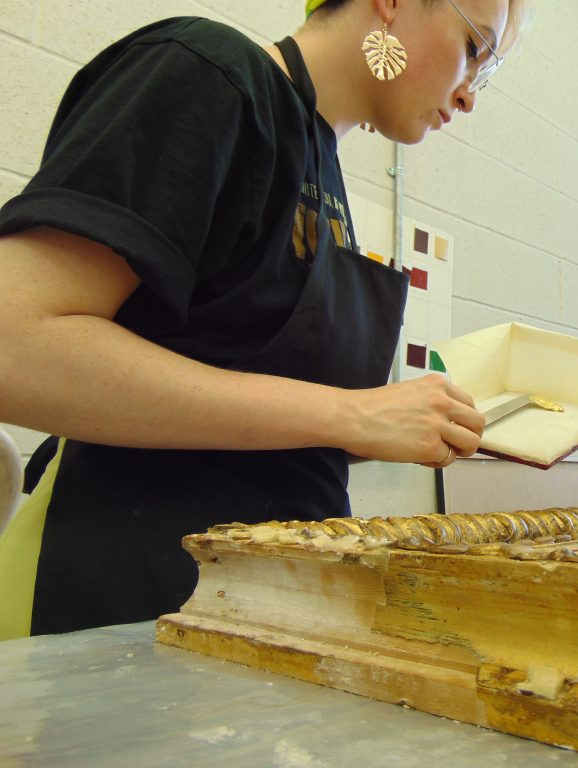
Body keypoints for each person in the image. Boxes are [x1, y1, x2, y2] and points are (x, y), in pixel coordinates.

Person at [0, 0, 530, 638]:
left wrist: (407, 427)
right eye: (474, 49)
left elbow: (262, 415)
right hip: (121, 605)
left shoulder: (321, 169)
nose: (469, 95)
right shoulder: (211, 74)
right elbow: (14, 345)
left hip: (260, 614)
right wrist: (354, 415)